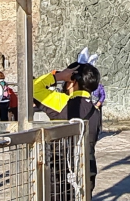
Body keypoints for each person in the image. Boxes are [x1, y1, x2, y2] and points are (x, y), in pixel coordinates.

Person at [32, 63, 102, 192]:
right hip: (87, 169)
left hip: (61, 173)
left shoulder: (62, 102)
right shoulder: (95, 111)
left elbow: (31, 87)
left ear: (72, 81)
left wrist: (57, 77)